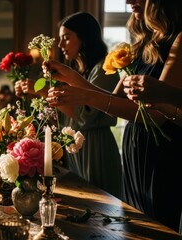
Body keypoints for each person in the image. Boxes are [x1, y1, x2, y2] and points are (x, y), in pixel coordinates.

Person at [45, 0, 182, 232]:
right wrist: (71, 77)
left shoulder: (177, 40)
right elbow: (113, 99)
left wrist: (85, 97)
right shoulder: (143, 44)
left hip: (159, 155)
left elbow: (157, 114)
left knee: (157, 230)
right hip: (135, 153)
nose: (128, 1)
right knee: (135, 229)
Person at [15, 12, 123, 199]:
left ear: (84, 37)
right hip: (78, 149)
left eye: (66, 38)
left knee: (101, 206)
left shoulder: (104, 70)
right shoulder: (78, 73)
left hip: (96, 148)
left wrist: (42, 91)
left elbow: (84, 116)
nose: (60, 45)